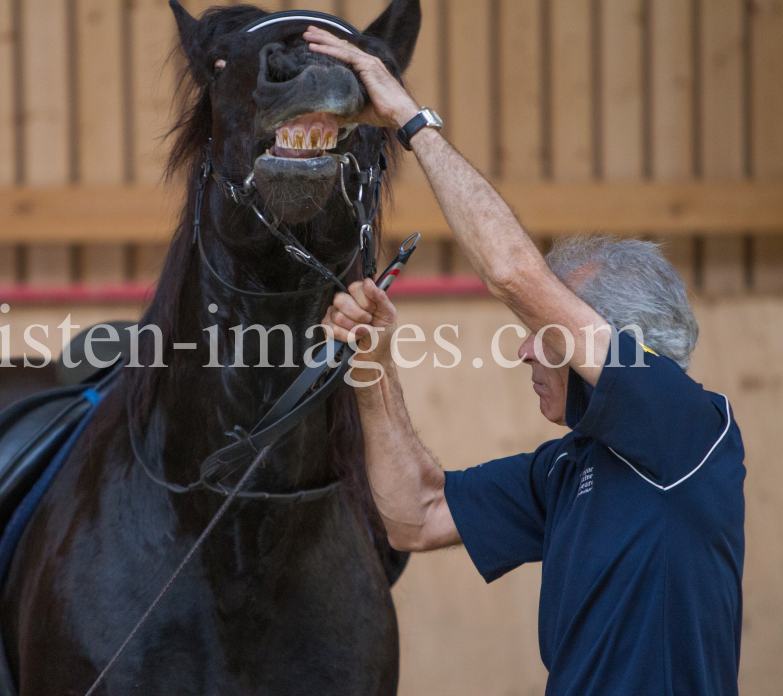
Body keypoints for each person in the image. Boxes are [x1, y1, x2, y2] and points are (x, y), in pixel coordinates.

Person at [306, 26, 745, 696]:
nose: (524, 347)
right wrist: (373, 365)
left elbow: (514, 275)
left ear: (618, 341)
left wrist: (409, 119)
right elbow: (414, 514)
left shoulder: (683, 424)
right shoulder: (570, 465)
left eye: (547, 333)